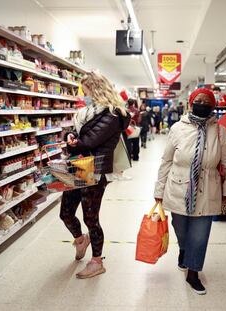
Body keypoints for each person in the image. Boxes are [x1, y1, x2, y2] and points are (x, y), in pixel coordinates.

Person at [154, 88, 226, 295]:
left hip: (209, 187)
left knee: (200, 236)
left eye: (206, 101)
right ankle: (184, 249)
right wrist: (159, 190)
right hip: (178, 186)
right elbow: (166, 161)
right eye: (198, 100)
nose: (202, 103)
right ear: (191, 104)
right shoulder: (177, 128)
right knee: (181, 230)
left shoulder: (220, 131)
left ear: (212, 105)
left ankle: (193, 272)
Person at [61, 71, 130, 279]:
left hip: (96, 169)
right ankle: (80, 239)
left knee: (91, 218)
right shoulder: (86, 112)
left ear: (97, 90)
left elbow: (90, 141)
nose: (84, 95)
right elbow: (76, 134)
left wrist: (74, 143)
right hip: (79, 166)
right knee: (65, 213)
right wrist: (70, 136)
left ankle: (97, 261)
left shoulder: (113, 114)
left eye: (87, 91)